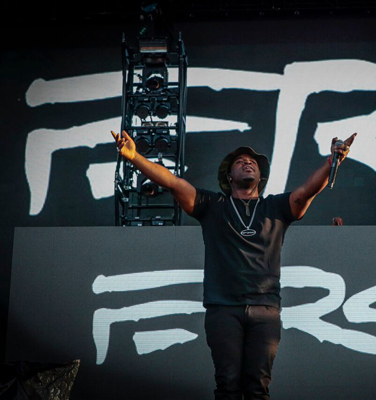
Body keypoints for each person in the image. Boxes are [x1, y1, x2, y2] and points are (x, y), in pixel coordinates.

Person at [111, 130, 357, 400]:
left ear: (260, 177)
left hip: (265, 310)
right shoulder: (212, 205)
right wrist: (134, 157)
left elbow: (307, 191)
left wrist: (332, 161)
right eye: (240, 161)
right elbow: (173, 183)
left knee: (258, 388)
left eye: (252, 162)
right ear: (229, 177)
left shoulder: (275, 207)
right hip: (223, 309)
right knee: (227, 385)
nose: (247, 162)